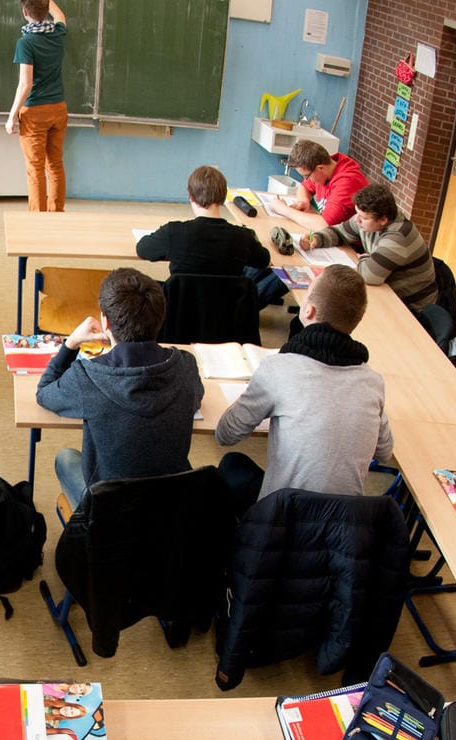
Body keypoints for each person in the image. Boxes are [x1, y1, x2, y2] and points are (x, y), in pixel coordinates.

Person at [215, 265, 394, 509]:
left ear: (308, 310)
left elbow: (225, 434)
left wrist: (251, 397)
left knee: (231, 464)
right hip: (341, 525)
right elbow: (384, 452)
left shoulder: (278, 368)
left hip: (281, 518)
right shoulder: (373, 382)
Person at [35, 268, 202, 507]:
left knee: (66, 459)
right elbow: (196, 398)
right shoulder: (186, 366)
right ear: (160, 317)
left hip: (109, 512)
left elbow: (44, 392)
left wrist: (71, 343)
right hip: (170, 506)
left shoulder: (87, 376)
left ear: (105, 321)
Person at [135, 164, 273, 303]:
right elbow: (264, 260)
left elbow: (142, 249)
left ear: (190, 196)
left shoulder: (174, 232)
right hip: (224, 317)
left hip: (180, 315)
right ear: (223, 197)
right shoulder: (243, 238)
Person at [299, 183, 437, 311]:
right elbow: (338, 232)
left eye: (363, 217)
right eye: (357, 213)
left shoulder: (399, 236)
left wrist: (364, 260)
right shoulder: (370, 219)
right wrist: (317, 239)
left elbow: (370, 275)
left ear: (383, 220)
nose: (357, 220)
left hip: (411, 307)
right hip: (387, 293)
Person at [7, 0, 68, 213]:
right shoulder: (58, 34)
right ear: (45, 10)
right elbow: (60, 15)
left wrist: (11, 116)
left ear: (24, 12)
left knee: (35, 168)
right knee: (55, 165)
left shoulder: (27, 42)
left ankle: (37, 221)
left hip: (35, 112)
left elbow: (25, 84)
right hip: (59, 109)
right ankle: (57, 213)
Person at [281, 140, 370, 226]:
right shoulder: (325, 170)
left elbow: (324, 224)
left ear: (320, 168)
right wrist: (303, 200)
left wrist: (283, 210)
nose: (306, 179)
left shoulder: (347, 182)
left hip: (345, 239)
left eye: (307, 176)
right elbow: (304, 187)